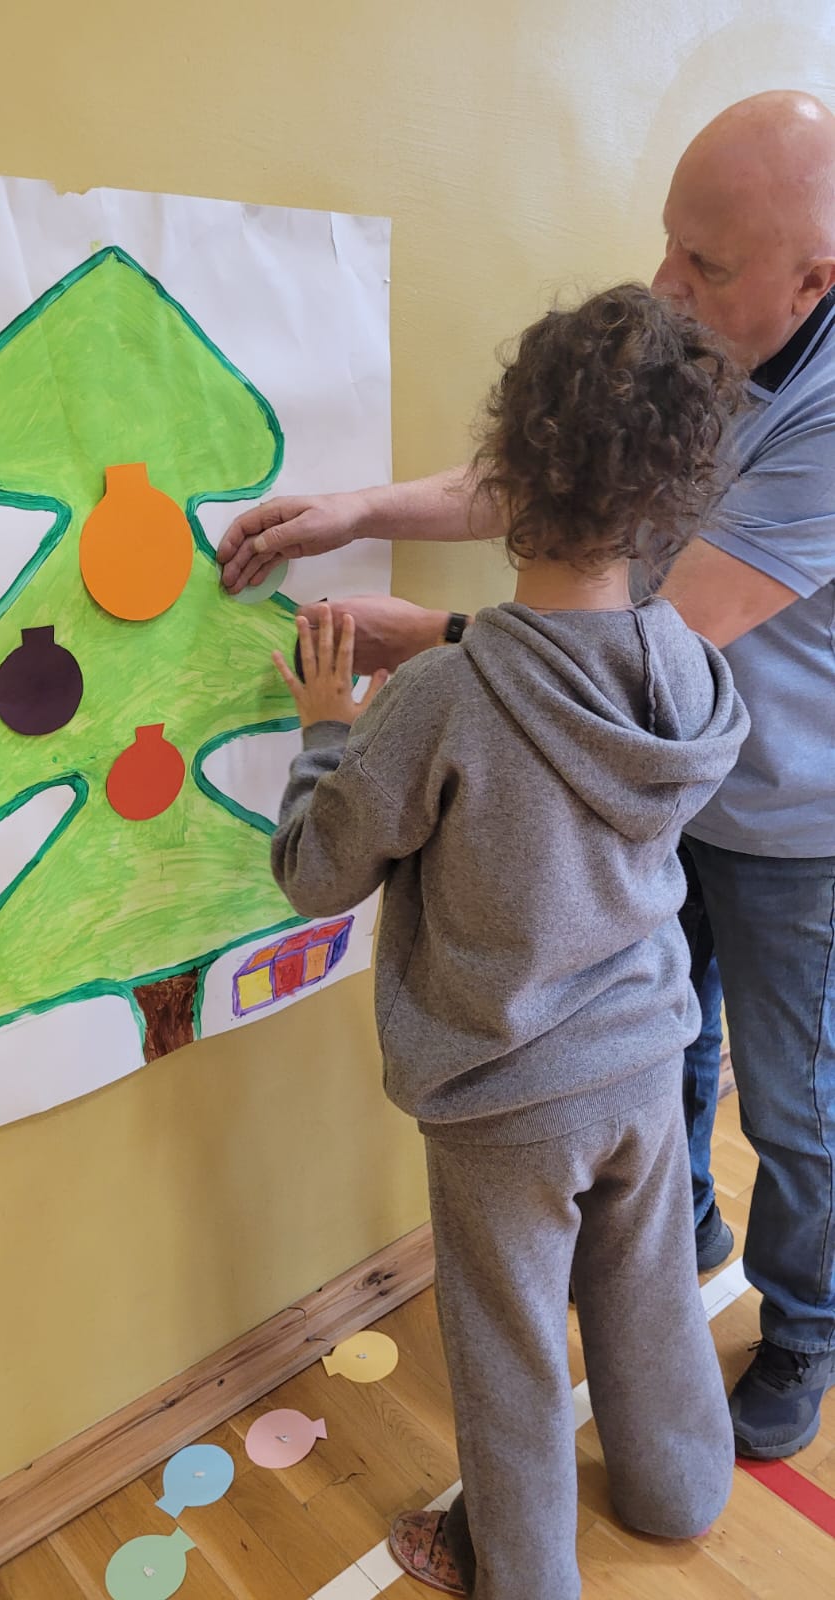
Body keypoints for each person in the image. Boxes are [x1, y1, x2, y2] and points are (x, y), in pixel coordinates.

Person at [219, 90, 835, 1460]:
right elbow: (592, 547)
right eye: (668, 243)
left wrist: (382, 685)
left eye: (705, 264)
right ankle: (673, 1305)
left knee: (796, 1100)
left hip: (793, 826)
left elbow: (656, 638)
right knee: (678, 1073)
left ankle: (804, 1322)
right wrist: (361, 508)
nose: (667, 284)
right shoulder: (697, 366)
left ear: (813, 282)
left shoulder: (485, 692)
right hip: (668, 836)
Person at [268, 284, 748, 1600]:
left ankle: (522, 1575)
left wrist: (325, 731)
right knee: (649, 1294)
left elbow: (316, 874)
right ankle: (679, 1488)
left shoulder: (443, 695)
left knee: (510, 1347)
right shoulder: (689, 669)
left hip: (505, 1100)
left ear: (510, 472)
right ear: (673, 500)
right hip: (647, 1058)